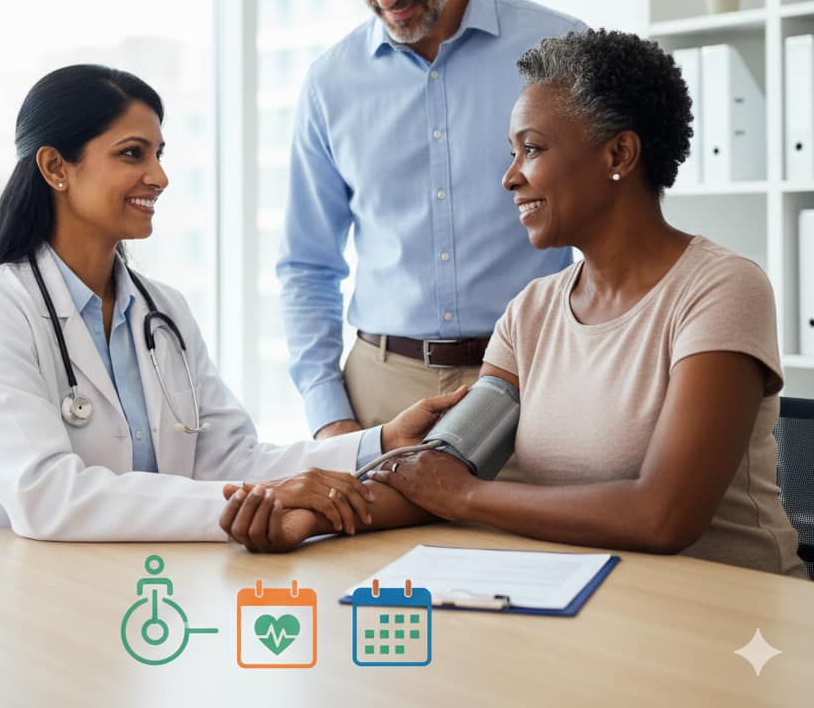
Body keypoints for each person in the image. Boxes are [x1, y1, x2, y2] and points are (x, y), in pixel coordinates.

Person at [223, 29, 807, 579]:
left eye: (531, 149)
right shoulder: (531, 312)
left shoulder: (720, 290)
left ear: (618, 154)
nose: (509, 178)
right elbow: (446, 468)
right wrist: (307, 516)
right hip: (600, 606)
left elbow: (664, 515)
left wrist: (468, 497)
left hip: (734, 617)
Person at [0, 65, 466, 542]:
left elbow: (232, 459)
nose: (159, 177)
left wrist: (380, 442)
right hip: (13, 587)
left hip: (139, 580)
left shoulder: (163, 311)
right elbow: (47, 498)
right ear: (55, 168)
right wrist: (260, 499)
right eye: (131, 154)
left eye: (158, 155)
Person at [279, 0, 583, 447]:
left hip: (536, 380)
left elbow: (612, 227)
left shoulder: (562, 52)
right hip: (378, 397)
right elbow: (308, 265)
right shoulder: (330, 82)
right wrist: (329, 415)